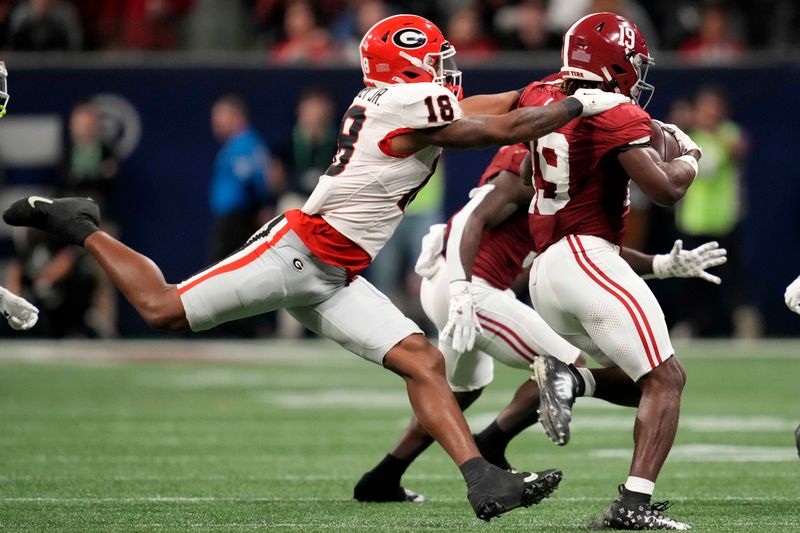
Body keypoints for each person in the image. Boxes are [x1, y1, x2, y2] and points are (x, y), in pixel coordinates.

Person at [2, 14, 628, 522]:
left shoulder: (402, 96)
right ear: (409, 64)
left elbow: (495, 105)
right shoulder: (410, 101)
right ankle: (77, 223)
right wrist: (579, 104)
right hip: (295, 253)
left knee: (423, 360)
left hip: (335, 273)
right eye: (435, 59)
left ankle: (482, 481)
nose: (446, 71)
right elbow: (506, 124)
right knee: (162, 308)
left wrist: (551, 88)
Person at [354, 143, 725, 503]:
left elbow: (589, 245)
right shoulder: (532, 163)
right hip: (469, 287)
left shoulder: (555, 172)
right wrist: (463, 291)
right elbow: (472, 217)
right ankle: (492, 443)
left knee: (461, 389)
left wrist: (660, 265)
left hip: (456, 284)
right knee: (566, 367)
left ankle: (384, 476)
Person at [520, 13, 701, 530]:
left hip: (545, 273)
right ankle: (632, 507)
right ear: (615, 63)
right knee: (668, 378)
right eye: (634, 63)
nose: (638, 74)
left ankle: (571, 380)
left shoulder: (540, 94)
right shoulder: (615, 111)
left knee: (644, 379)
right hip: (585, 257)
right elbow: (665, 190)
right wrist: (689, 155)